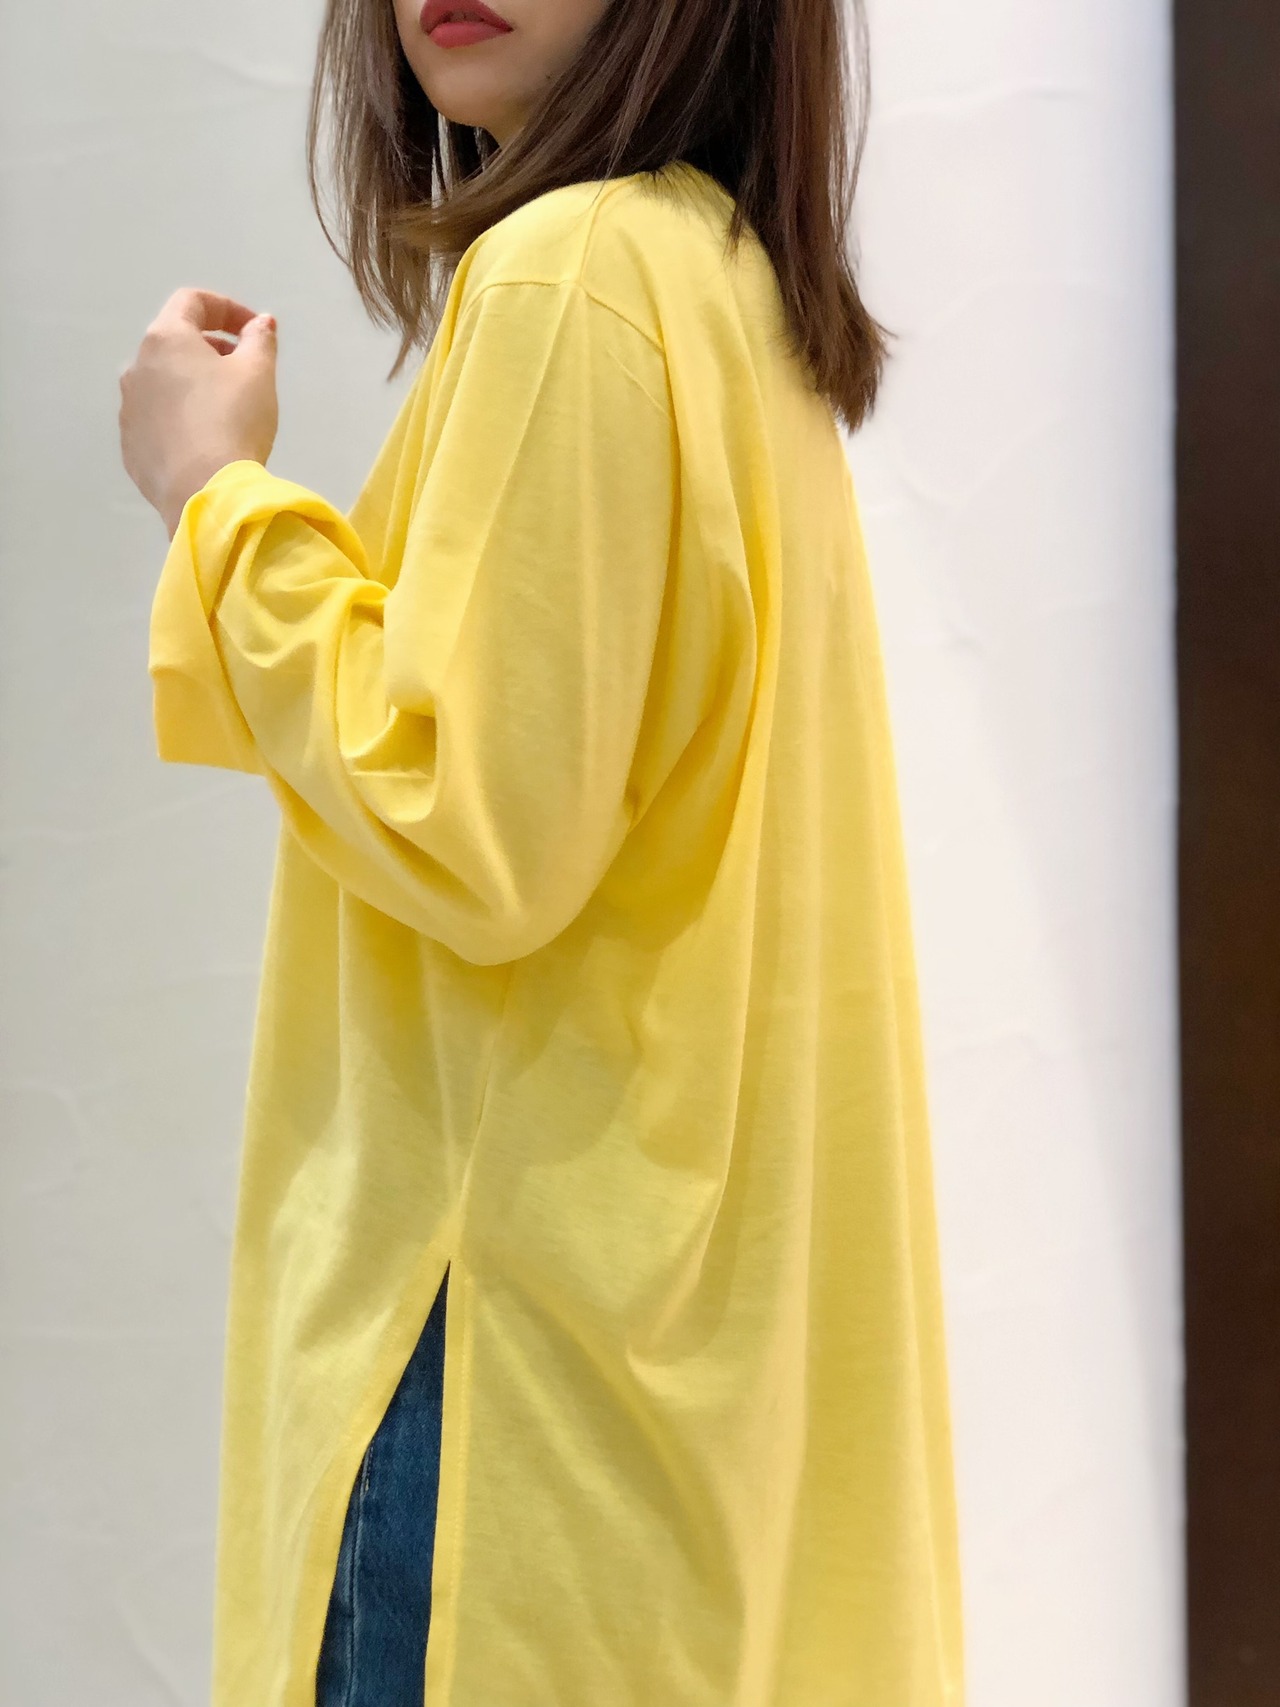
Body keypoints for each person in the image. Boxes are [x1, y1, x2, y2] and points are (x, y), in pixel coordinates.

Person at [117, 0, 966, 1699]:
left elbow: (470, 824)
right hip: (662, 1381)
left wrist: (217, 501)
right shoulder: (719, 280)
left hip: (507, 1380)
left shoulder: (572, 275)